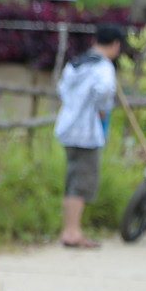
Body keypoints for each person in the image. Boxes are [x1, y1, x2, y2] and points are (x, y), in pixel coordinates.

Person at [53, 23, 123, 249]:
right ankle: (72, 232)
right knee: (81, 182)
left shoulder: (76, 62)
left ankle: (69, 229)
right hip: (86, 130)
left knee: (72, 179)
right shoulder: (103, 67)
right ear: (115, 44)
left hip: (67, 127)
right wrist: (101, 107)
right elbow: (104, 91)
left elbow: (62, 89)